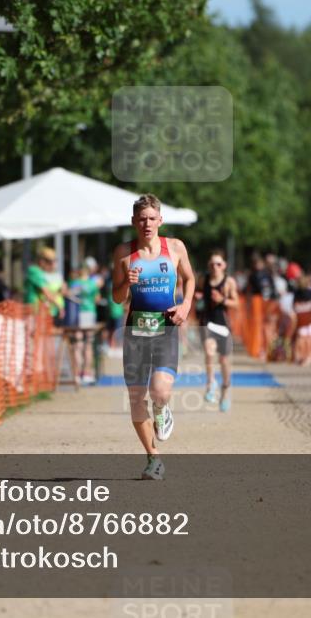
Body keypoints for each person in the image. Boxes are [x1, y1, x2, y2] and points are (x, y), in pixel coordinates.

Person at [111, 194, 195, 481]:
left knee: (159, 390)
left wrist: (185, 305)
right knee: (136, 396)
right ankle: (153, 457)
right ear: (134, 221)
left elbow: (190, 278)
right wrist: (126, 282)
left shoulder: (174, 247)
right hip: (136, 329)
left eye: (152, 218)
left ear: (161, 220)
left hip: (166, 327)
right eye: (142, 218)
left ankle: (162, 408)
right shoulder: (124, 253)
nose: (147, 223)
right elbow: (116, 297)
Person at [198, 250, 239, 412]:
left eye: (218, 264)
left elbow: (237, 303)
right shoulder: (204, 279)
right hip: (207, 322)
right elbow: (198, 291)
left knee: (224, 361)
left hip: (222, 324)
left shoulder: (229, 282)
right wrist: (198, 297)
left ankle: (225, 391)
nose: (215, 267)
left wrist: (223, 300)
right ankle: (211, 383)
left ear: (224, 266)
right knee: (209, 352)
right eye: (212, 264)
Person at [24, 247, 64, 322]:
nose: (52, 265)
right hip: (33, 310)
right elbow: (46, 292)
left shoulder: (39, 272)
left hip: (39, 310)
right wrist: (59, 306)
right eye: (50, 262)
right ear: (42, 261)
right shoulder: (35, 272)